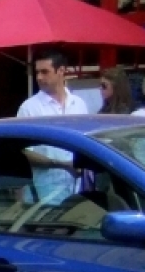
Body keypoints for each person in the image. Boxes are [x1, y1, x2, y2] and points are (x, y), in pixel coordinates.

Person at [16, 49, 90, 200]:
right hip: (44, 191)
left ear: (61, 71)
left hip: (78, 188)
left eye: (45, 72)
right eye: (37, 72)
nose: (39, 77)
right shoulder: (29, 108)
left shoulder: (79, 104)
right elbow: (21, 153)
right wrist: (61, 164)